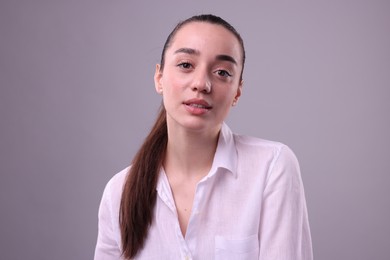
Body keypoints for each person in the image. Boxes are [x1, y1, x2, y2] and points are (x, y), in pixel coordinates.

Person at [94, 14, 313, 260]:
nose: (201, 83)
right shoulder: (119, 192)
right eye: (186, 65)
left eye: (222, 72)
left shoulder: (272, 167)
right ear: (159, 78)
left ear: (237, 91)